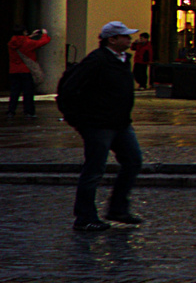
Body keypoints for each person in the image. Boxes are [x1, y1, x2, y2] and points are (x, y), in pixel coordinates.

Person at [57, 21, 144, 231]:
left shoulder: (122, 59)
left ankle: (117, 208)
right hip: (98, 124)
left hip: (120, 123)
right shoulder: (97, 61)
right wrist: (78, 120)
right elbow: (69, 89)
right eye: (124, 36)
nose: (129, 39)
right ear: (111, 40)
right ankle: (85, 217)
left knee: (133, 161)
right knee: (94, 169)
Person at [7, 26, 49, 117]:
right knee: (28, 92)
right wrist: (44, 34)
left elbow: (20, 42)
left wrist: (30, 36)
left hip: (14, 70)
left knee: (14, 92)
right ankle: (29, 111)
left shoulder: (11, 43)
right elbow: (42, 42)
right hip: (26, 70)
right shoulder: (28, 42)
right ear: (24, 32)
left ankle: (11, 111)